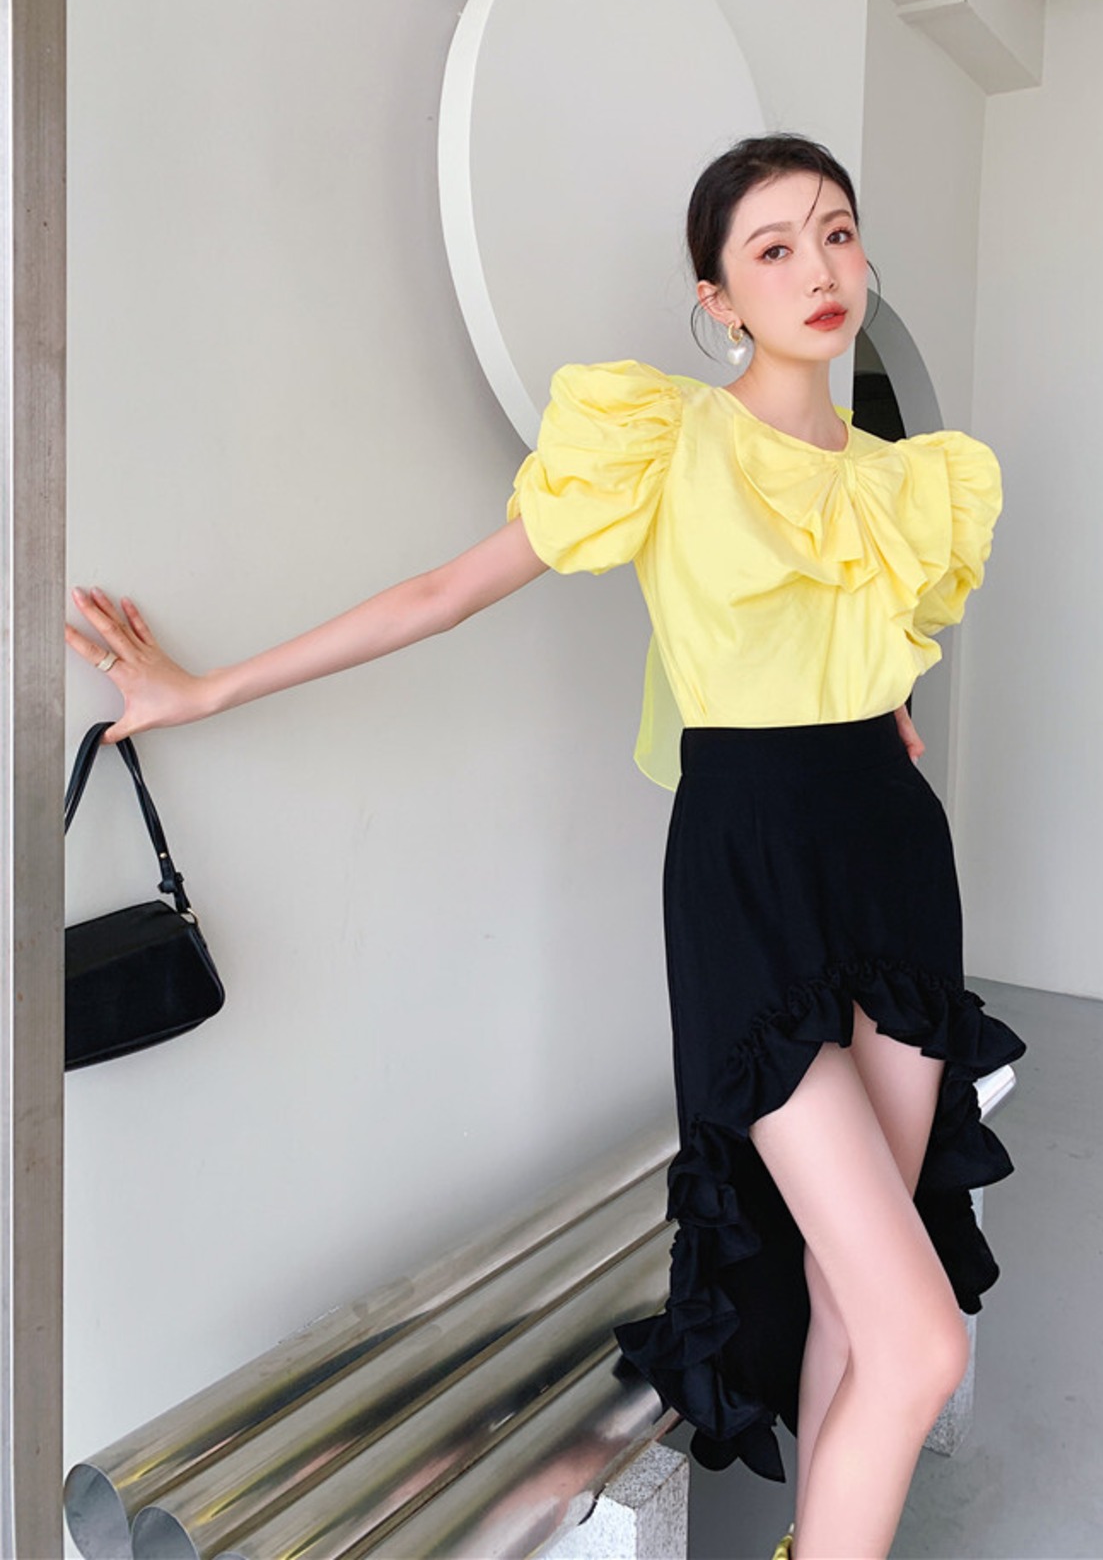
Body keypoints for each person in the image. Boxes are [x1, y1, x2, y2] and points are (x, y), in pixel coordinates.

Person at [65, 132, 1027, 1560]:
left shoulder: (914, 481)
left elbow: (863, 658)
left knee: (857, 1289)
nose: (818, 267)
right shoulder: (666, 442)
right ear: (717, 299)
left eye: (836, 231)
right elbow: (444, 590)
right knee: (921, 1339)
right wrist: (204, 692)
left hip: (893, 865)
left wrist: (873, 707)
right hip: (751, 880)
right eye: (773, 248)